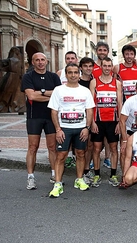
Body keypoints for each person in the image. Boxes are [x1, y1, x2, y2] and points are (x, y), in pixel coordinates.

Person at [47, 63, 95, 197]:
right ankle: (58, 183)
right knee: (61, 156)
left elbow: (89, 110)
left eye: (75, 72)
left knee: (80, 153)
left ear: (79, 74)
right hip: (64, 129)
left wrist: (87, 128)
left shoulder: (85, 91)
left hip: (80, 128)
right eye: (70, 72)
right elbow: (54, 111)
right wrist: (58, 129)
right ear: (66, 74)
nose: (73, 75)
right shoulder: (58, 90)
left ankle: (79, 179)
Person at [21, 52, 61, 190]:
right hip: (34, 116)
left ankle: (55, 175)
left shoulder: (54, 77)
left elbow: (58, 94)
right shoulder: (28, 77)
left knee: (52, 147)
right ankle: (30, 177)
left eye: (42, 59)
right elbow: (31, 95)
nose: (40, 62)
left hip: (51, 116)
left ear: (47, 61)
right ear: (33, 62)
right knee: (33, 147)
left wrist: (40, 92)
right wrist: (49, 94)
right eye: (37, 60)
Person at [89, 57, 123, 187]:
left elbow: (119, 103)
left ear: (112, 67)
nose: (107, 68)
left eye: (109, 66)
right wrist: (92, 122)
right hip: (98, 121)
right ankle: (97, 174)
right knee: (96, 148)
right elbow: (91, 104)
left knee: (114, 148)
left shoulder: (117, 83)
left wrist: (120, 122)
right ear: (101, 67)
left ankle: (113, 175)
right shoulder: (94, 82)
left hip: (113, 121)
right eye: (105, 66)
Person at [92, 41, 112, 168]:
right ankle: (95, 160)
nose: (102, 52)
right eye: (100, 50)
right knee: (95, 139)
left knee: (108, 137)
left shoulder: (111, 66)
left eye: (105, 50)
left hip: (109, 107)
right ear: (96, 51)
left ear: (108, 52)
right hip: (96, 108)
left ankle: (107, 158)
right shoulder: (91, 66)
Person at [78, 57, 96, 181]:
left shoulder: (95, 82)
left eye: (90, 66)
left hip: (91, 117)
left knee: (90, 145)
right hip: (78, 118)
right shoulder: (76, 82)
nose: (88, 68)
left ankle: (86, 170)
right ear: (81, 68)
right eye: (85, 66)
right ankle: (80, 172)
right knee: (80, 147)